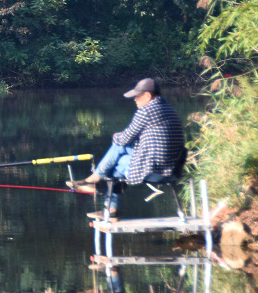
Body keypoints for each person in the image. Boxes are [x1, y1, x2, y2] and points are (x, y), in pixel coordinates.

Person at [71, 78, 185, 217]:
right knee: (121, 151)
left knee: (118, 153)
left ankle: (100, 189)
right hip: (171, 167)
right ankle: (97, 182)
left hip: (155, 169)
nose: (135, 99)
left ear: (148, 96)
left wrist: (116, 136)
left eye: (137, 96)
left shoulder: (147, 111)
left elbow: (125, 138)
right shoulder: (167, 109)